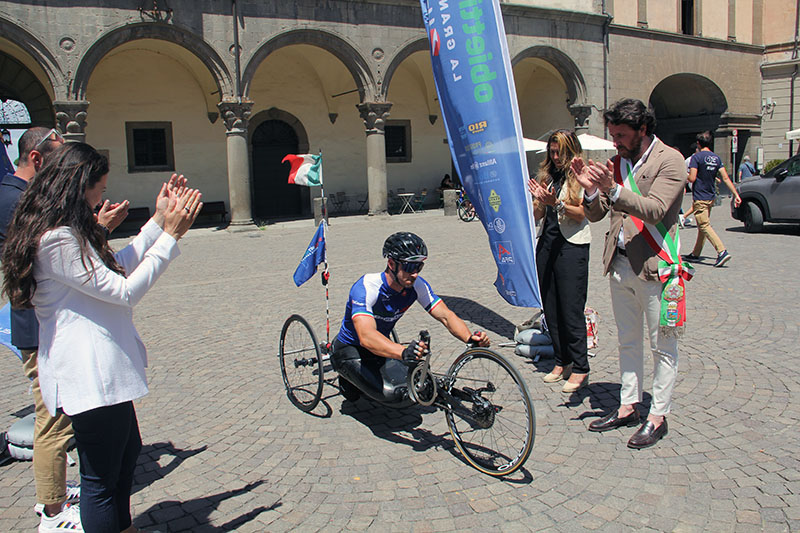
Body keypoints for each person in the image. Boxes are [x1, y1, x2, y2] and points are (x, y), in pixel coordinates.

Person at [1, 142, 202, 533]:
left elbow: (115, 267)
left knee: (125, 456)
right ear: (78, 186)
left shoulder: (66, 232)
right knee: (101, 480)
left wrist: (158, 221)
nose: (101, 198)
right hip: (88, 374)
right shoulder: (56, 239)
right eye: (100, 189)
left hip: (103, 373)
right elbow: (123, 290)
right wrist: (170, 237)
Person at [0, 128, 128, 533]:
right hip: (41, 327)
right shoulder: (16, 200)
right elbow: (64, 266)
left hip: (48, 322)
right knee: (53, 421)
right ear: (39, 160)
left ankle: (56, 499)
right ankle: (52, 511)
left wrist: (97, 229)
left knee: (61, 422)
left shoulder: (31, 201)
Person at [571, 98, 686, 449]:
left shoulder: (671, 160)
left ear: (642, 129)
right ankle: (628, 405)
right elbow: (596, 214)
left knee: (663, 345)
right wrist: (591, 190)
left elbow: (655, 210)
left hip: (656, 266)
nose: (616, 142)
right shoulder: (618, 163)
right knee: (627, 340)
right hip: (619, 264)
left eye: (621, 135)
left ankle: (658, 416)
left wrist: (613, 189)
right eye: (613, 135)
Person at [331, 232, 489, 404]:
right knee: (391, 395)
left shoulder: (416, 285)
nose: (414, 274)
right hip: (351, 348)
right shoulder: (366, 287)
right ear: (391, 263)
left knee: (420, 383)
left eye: (418, 267)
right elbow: (366, 336)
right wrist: (403, 352)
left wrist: (469, 338)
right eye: (409, 267)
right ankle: (346, 378)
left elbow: (446, 315)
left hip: (382, 348)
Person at [527, 130, 591, 393]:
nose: (555, 157)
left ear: (571, 151)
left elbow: (582, 214)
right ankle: (561, 360)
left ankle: (580, 367)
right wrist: (537, 201)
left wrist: (557, 203)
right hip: (547, 243)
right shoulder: (547, 176)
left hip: (572, 246)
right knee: (551, 307)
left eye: (560, 152)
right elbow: (538, 214)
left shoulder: (581, 175)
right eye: (552, 152)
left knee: (571, 308)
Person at [683, 131, 742, 267]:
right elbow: (725, 178)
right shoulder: (716, 158)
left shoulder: (696, 158)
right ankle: (696, 253)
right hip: (711, 196)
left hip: (700, 196)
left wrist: (682, 174)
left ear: (698, 144)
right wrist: (736, 194)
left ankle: (722, 251)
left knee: (704, 225)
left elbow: (692, 178)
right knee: (702, 225)